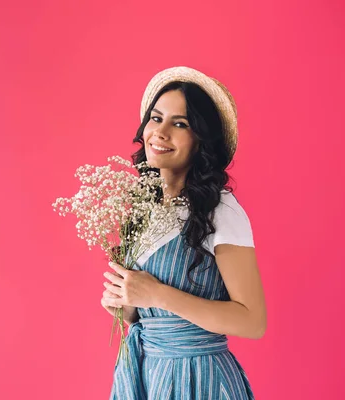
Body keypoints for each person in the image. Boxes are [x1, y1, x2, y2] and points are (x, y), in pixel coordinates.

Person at [101, 66, 266, 399]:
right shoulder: (144, 208)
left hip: (199, 380)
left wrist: (156, 295)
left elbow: (252, 321)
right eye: (156, 118)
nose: (160, 133)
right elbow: (151, 308)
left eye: (180, 124)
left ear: (201, 140)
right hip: (148, 375)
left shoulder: (221, 210)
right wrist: (130, 306)